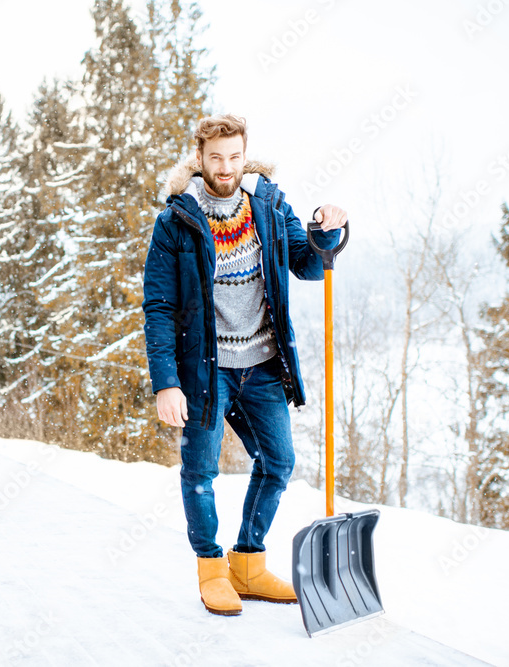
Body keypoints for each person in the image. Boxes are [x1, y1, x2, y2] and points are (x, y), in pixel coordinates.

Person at [141, 114, 348, 616]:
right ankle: (211, 568)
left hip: (261, 364)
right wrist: (166, 383)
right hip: (205, 370)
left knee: (278, 462)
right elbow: (160, 307)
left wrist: (328, 232)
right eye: (216, 158)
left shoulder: (270, 206)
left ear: (244, 153)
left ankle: (248, 563)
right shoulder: (177, 221)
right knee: (200, 471)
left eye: (234, 156)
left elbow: (305, 261)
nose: (226, 167)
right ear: (200, 158)